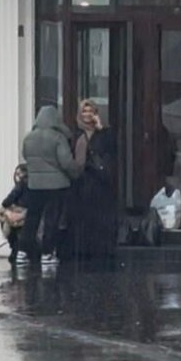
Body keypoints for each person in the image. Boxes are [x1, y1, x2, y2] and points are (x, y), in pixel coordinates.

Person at [20, 105, 82, 269]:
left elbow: (25, 156)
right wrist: (76, 172)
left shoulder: (28, 137)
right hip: (57, 185)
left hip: (34, 184)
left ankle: (22, 251)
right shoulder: (58, 137)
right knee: (51, 219)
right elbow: (66, 162)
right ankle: (47, 252)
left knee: (32, 218)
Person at [65, 99, 120, 261]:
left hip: (99, 182)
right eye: (84, 111)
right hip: (81, 181)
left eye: (91, 111)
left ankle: (101, 249)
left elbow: (111, 149)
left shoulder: (104, 133)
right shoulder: (75, 134)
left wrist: (100, 128)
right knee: (82, 216)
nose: (87, 114)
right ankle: (83, 249)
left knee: (100, 217)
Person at [0, 164, 29, 265]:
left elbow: (9, 199)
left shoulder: (20, 185)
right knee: (4, 214)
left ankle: (5, 235)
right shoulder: (28, 185)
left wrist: (7, 208)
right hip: (22, 210)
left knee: (2, 214)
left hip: (21, 210)